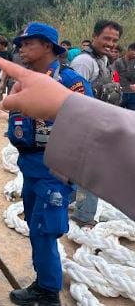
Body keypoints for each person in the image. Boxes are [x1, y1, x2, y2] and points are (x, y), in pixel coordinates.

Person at [5, 23, 93, 306]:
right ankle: (43, 281)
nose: (21, 48)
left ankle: (49, 293)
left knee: (45, 231)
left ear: (47, 46)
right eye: (20, 44)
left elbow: (88, 127)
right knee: (36, 228)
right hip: (29, 167)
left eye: (28, 43)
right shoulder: (24, 79)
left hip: (54, 173)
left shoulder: (70, 82)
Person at [0, 56, 135, 221]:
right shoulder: (37, 75)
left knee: (83, 177)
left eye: (30, 44)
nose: (25, 50)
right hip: (38, 155)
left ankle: (84, 216)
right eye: (23, 45)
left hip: (78, 137)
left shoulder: (72, 76)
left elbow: (82, 107)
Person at [70, 20, 122, 227]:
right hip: (86, 126)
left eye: (114, 40)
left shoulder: (103, 60)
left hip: (99, 123)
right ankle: (84, 216)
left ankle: (72, 202)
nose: (110, 44)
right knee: (94, 173)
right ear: (94, 37)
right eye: (106, 38)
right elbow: (74, 96)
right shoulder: (84, 62)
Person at [115, 42, 135, 110]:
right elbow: (114, 77)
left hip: (133, 94)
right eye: (133, 52)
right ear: (129, 50)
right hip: (121, 93)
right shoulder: (117, 62)